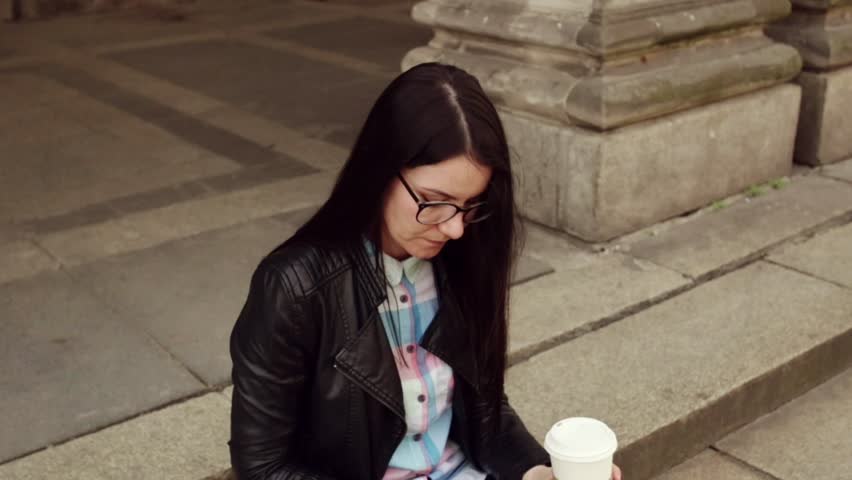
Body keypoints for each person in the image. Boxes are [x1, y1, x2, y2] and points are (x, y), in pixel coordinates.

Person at [228, 62, 622, 480]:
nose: (455, 228)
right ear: (380, 171)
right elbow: (263, 465)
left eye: (470, 205)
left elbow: (486, 412)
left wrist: (535, 471)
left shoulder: (464, 259)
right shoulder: (294, 287)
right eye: (434, 201)